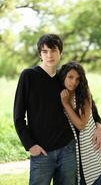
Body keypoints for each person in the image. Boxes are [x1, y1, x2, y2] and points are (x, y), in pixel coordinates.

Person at [13, 34, 77, 185]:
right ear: (40, 54)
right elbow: (18, 116)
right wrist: (30, 145)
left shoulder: (64, 77)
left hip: (67, 148)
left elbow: (85, 99)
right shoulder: (28, 76)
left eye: (53, 50)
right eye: (45, 51)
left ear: (60, 52)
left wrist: (99, 125)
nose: (49, 55)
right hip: (41, 151)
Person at [59, 61, 101, 185]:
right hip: (72, 157)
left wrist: (66, 104)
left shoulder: (83, 93)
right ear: (63, 76)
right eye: (70, 77)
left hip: (92, 152)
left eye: (77, 79)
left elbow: (82, 125)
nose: (74, 82)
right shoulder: (58, 95)